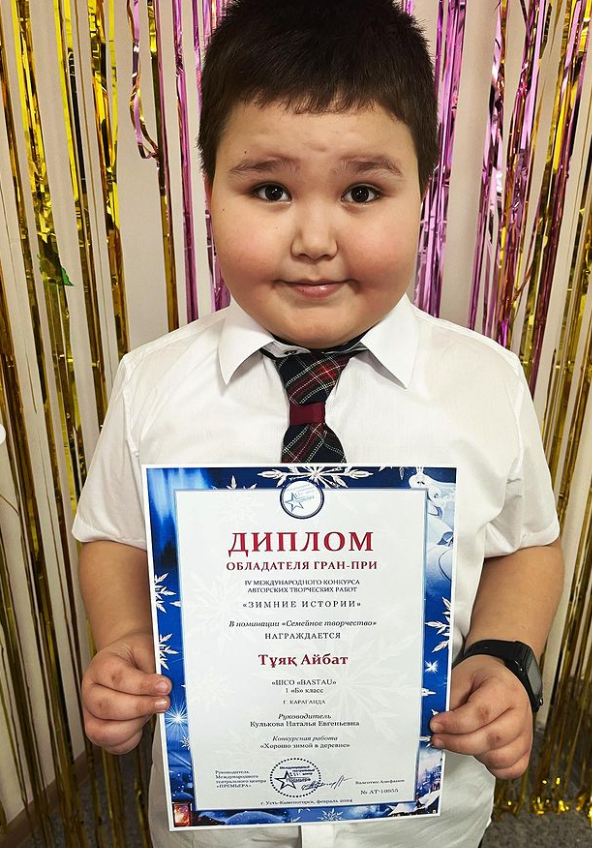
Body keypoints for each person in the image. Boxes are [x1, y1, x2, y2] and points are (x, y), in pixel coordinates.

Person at [73, 0, 564, 846]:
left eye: (362, 192)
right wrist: (123, 643)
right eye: (269, 189)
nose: (312, 238)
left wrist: (503, 657)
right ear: (208, 189)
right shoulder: (151, 383)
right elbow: (112, 533)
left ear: (424, 195)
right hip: (218, 823)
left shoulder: (486, 383)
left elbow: (527, 544)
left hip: (425, 819)